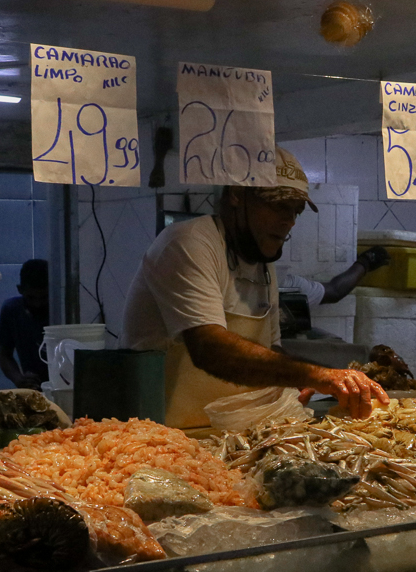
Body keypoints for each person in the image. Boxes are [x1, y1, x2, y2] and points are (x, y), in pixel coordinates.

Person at [121, 147, 388, 428]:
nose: (289, 221)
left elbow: (271, 350)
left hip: (231, 433)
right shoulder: (189, 243)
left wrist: (296, 381)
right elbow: (210, 349)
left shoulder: (263, 264)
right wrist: (315, 374)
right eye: (278, 205)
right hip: (162, 434)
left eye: (296, 210)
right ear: (237, 194)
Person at [0, 259, 50, 389]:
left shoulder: (60, 310)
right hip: (33, 387)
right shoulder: (12, 310)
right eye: (31, 298)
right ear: (20, 290)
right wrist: (18, 379)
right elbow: (5, 355)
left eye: (44, 297)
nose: (37, 304)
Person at [278, 246, 391, 307]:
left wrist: (364, 263)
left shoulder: (281, 281)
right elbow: (334, 291)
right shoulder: (280, 281)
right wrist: (365, 262)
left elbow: (334, 291)